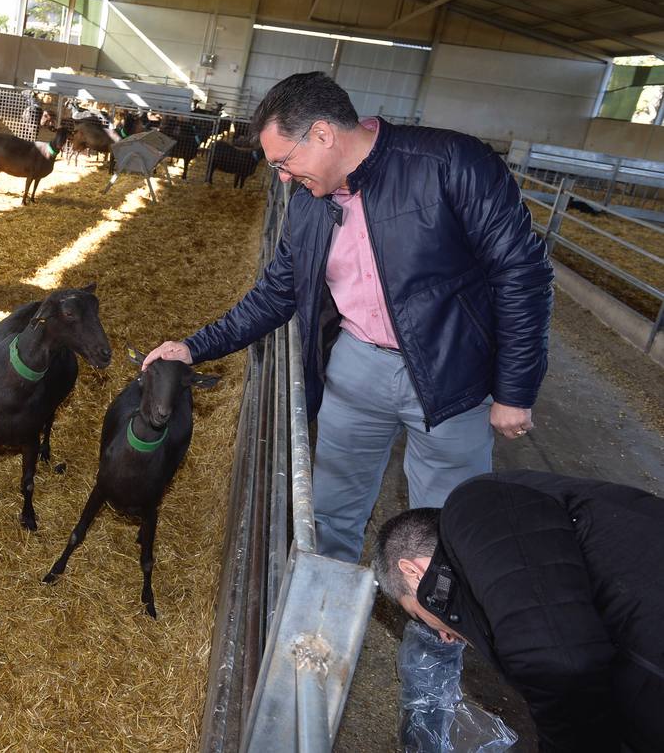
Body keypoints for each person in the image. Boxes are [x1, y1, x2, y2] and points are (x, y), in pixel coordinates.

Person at [144, 71, 554, 563]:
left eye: (284, 162)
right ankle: (323, 621)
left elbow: (522, 273)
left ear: (322, 133)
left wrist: (515, 390)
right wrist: (193, 347)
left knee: (447, 524)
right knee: (331, 511)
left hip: (453, 373)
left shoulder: (452, 163)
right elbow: (278, 292)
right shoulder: (309, 205)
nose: (282, 177)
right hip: (357, 369)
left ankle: (435, 635)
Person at [373, 470, 664, 752]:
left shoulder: (479, 505)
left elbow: (558, 663)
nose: (439, 633)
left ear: (412, 572)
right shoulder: (501, 578)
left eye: (417, 614)